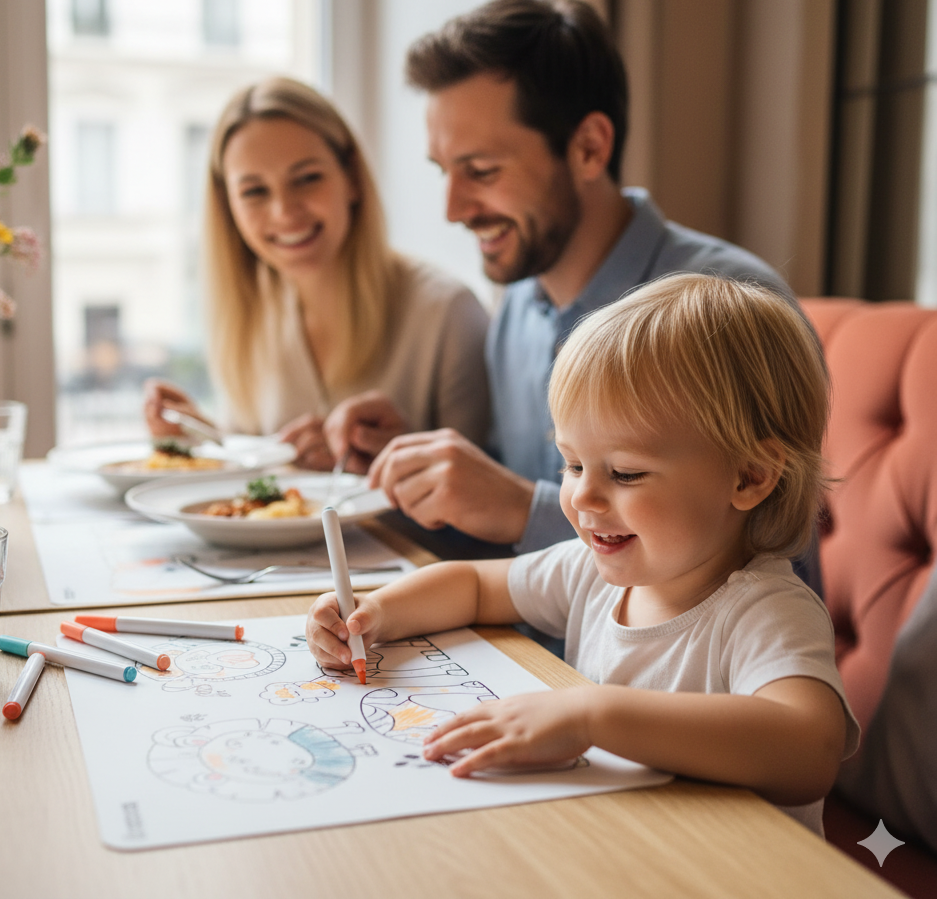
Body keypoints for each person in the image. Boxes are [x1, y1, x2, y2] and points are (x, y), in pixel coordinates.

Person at [308, 274, 859, 836]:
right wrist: (375, 614)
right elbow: (474, 586)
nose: (584, 497)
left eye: (624, 473)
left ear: (750, 476)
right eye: (572, 465)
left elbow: (808, 748)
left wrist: (592, 715)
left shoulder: (764, 610)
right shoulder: (595, 574)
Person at [324, 0, 797, 552]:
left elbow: (772, 556)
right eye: (445, 172)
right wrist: (410, 473)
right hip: (519, 636)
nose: (453, 208)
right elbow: (508, 529)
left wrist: (522, 508)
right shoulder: (517, 310)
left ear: (590, 149)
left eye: (480, 170)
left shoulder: (730, 307)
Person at [143, 77, 490, 468]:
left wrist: (385, 461)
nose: (285, 213)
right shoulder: (251, 317)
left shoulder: (447, 315)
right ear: (229, 208)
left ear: (352, 180)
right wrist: (204, 440)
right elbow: (262, 488)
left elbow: (482, 500)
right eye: (255, 191)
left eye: (307, 179)